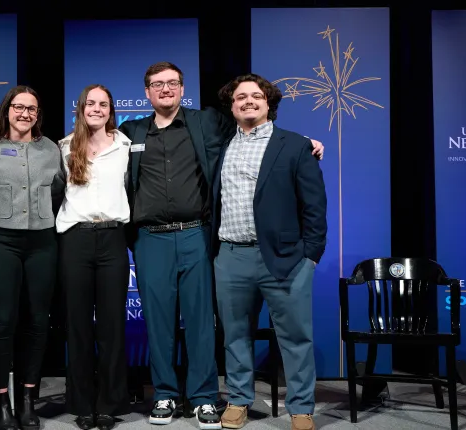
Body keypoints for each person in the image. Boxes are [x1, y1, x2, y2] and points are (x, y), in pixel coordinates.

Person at [119, 62, 324, 429]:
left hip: (212, 238)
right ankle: (175, 394)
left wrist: (310, 256)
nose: (165, 89)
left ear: (183, 88)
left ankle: (217, 399)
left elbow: (310, 200)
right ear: (147, 92)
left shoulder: (210, 124)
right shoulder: (130, 131)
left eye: (173, 83)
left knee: (209, 324)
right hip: (180, 244)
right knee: (200, 329)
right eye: (157, 84)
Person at [212, 73, 327, 430]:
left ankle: (301, 407)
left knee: (295, 338)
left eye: (256, 96)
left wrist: (309, 256)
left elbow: (314, 206)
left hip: (285, 258)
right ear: (231, 106)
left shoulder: (294, 145)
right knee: (235, 336)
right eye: (240, 97)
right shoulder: (219, 146)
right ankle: (239, 400)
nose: (248, 101)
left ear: (268, 103)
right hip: (231, 255)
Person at [0, 85, 65, 430]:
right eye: (19, 107)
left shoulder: (51, 150)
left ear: (38, 114)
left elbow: (59, 191)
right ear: (7, 110)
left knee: (38, 321)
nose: (25, 114)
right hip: (2, 242)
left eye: (32, 109)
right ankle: (1, 404)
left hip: (43, 242)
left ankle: (28, 399)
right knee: (2, 322)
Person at [56, 84, 132, 430]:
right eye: (91, 103)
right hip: (76, 239)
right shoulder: (65, 146)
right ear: (81, 108)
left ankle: (109, 403)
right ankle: (82, 403)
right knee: (79, 326)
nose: (97, 109)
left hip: (113, 238)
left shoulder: (125, 146)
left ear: (110, 109)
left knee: (113, 325)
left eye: (103, 104)